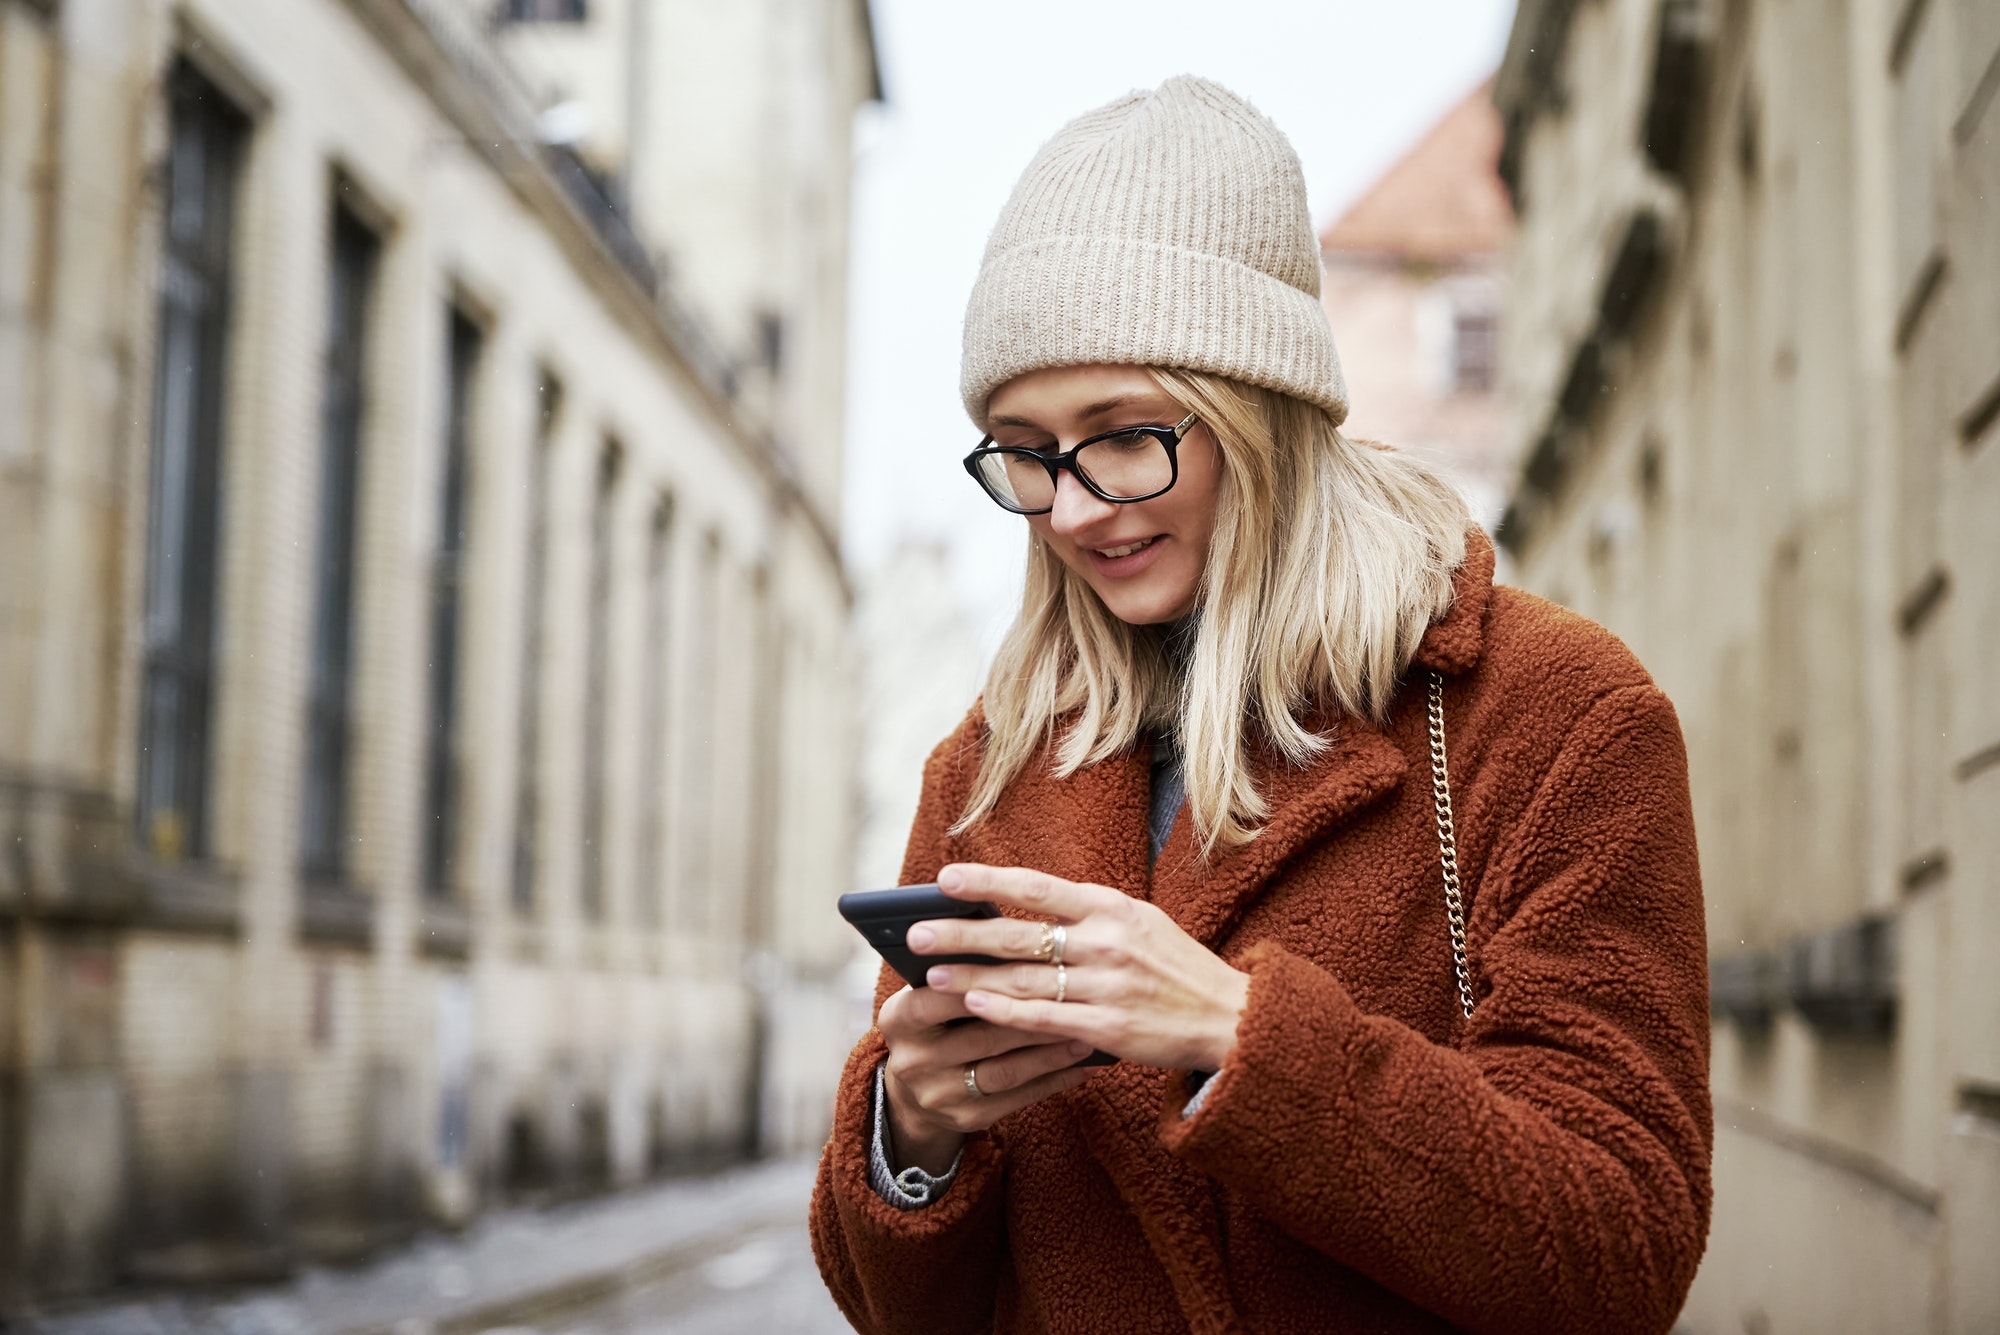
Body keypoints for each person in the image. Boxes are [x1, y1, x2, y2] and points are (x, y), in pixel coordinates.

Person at [810, 76, 1710, 1335]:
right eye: (1022, 450)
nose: (1068, 508)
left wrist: (1238, 1037)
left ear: (1261, 412)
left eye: (1122, 435)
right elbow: (896, 1308)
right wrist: (912, 1135)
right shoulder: (989, 766)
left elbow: (1621, 1248)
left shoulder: (1546, 711)